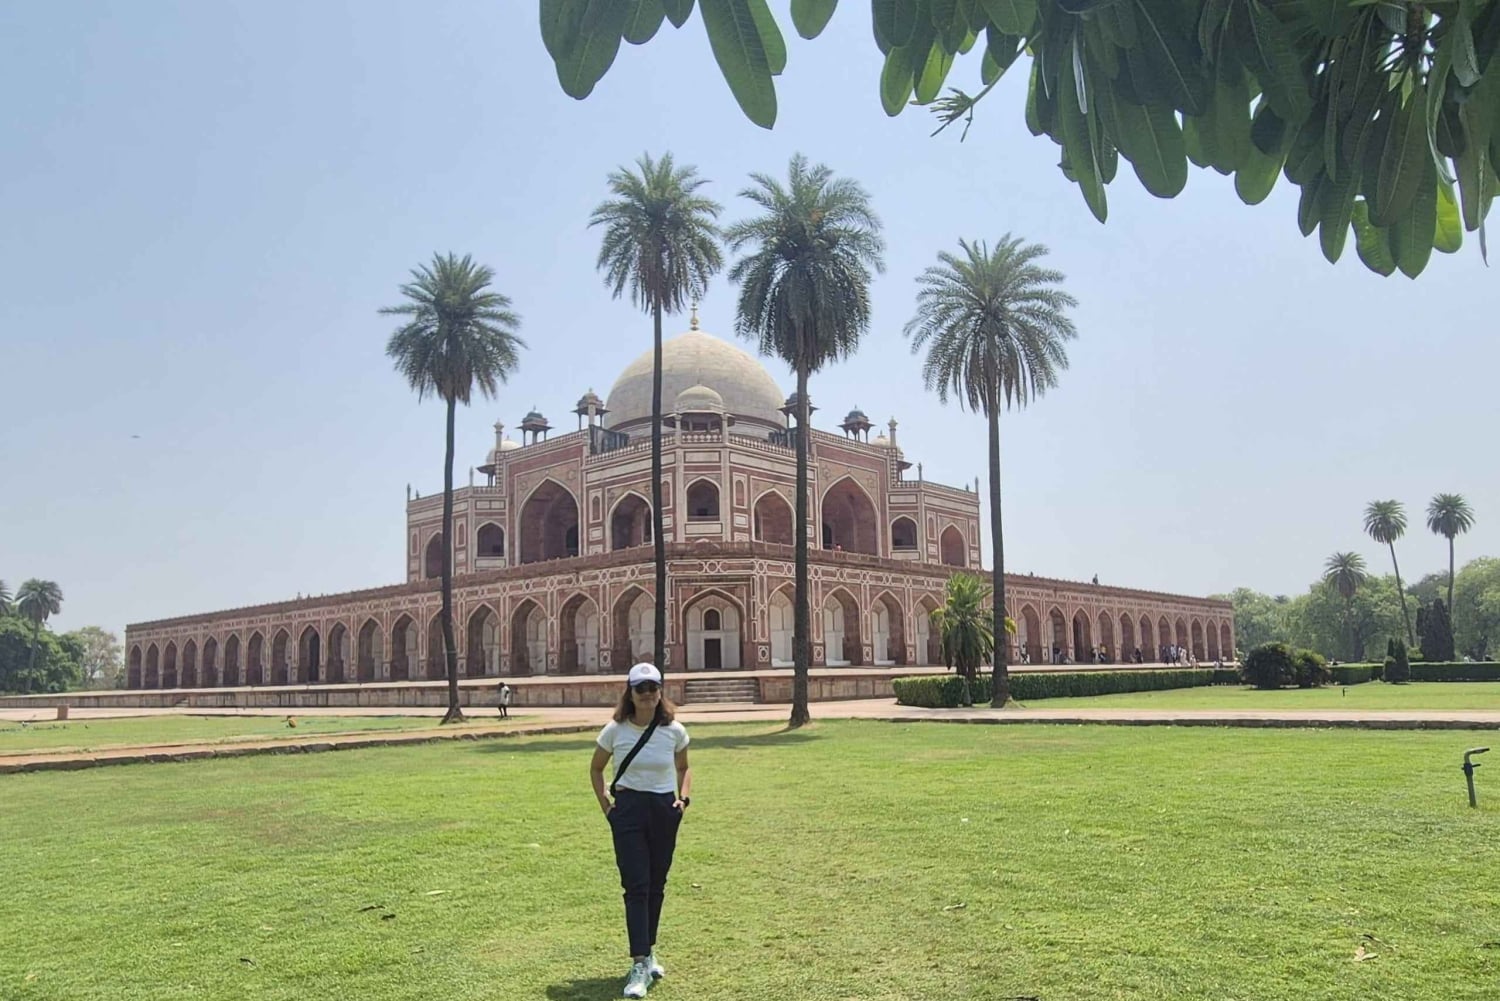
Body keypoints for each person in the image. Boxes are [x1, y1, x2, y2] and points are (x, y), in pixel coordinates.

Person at [590, 663, 692, 998]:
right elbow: (596, 768)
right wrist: (608, 808)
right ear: (630, 693)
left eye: (653, 688)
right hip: (629, 810)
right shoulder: (615, 730)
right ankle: (638, 962)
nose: (647, 694)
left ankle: (648, 951)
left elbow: (683, 766)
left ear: (660, 691)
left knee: (656, 885)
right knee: (636, 886)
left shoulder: (674, 730)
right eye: (641, 688)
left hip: (663, 809)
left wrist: (683, 799)